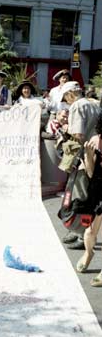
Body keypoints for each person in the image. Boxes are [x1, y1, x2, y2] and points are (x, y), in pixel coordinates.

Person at [60, 80, 100, 249]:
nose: (66, 101)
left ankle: (81, 234)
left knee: (80, 195)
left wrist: (65, 126)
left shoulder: (77, 106)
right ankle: (78, 231)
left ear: (71, 94)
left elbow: (78, 133)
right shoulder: (94, 104)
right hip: (95, 153)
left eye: (65, 97)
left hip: (83, 156)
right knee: (85, 194)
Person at [75, 111, 102, 287]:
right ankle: (88, 253)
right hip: (98, 190)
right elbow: (91, 173)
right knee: (90, 232)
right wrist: (87, 156)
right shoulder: (96, 140)